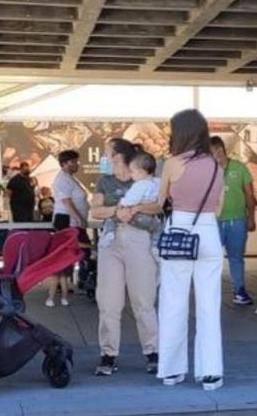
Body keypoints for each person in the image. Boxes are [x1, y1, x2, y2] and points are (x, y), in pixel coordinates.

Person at [121, 109, 225, 391]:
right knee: (209, 305)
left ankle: (172, 370)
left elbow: (159, 202)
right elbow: (218, 207)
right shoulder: (216, 165)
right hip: (209, 234)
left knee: (173, 302)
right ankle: (211, 373)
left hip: (179, 230)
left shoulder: (173, 163)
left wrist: (136, 207)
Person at [90, 138, 159, 377]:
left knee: (143, 299)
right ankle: (108, 354)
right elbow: (95, 210)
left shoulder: (141, 177)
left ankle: (153, 352)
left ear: (117, 156)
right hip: (111, 240)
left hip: (138, 238)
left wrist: (136, 209)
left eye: (107, 152)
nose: (104, 156)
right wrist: (118, 211)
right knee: (108, 301)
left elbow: (159, 205)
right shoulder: (105, 181)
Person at [212, 136, 256, 306]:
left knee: (236, 257)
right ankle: (210, 291)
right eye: (212, 152)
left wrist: (251, 217)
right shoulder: (208, 171)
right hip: (214, 220)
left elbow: (249, 194)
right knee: (212, 258)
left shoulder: (239, 167)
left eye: (218, 150)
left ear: (224, 149)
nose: (217, 155)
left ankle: (239, 290)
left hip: (237, 219)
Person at [49, 149, 89, 307]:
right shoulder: (62, 180)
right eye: (73, 162)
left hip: (73, 220)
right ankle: (63, 284)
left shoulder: (70, 178)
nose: (77, 164)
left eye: (77, 161)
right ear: (64, 163)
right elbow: (67, 202)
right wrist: (77, 218)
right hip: (66, 220)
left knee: (79, 251)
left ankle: (74, 282)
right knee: (74, 250)